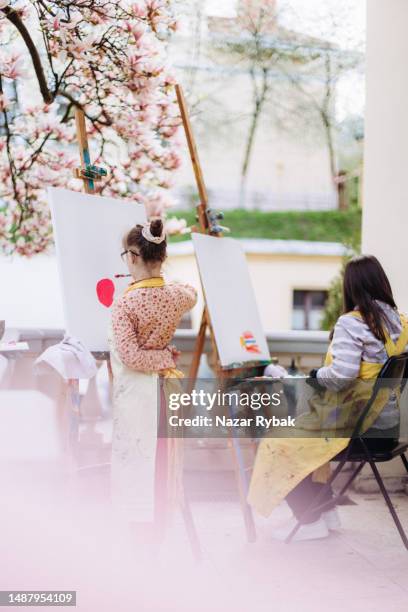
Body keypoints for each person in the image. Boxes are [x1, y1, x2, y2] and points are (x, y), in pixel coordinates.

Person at [248, 255, 408, 541]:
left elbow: (342, 375)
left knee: (277, 440)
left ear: (351, 288)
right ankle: (325, 512)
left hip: (359, 427)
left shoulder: (353, 323)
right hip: (386, 429)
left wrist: (315, 375)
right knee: (305, 435)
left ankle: (309, 520)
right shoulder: (400, 322)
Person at [108, 219, 197, 542]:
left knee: (138, 467)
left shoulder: (125, 304)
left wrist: (160, 357)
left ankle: (140, 540)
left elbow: (130, 356)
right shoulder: (175, 297)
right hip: (167, 390)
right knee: (163, 462)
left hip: (140, 395)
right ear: (161, 256)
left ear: (132, 257)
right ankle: (159, 532)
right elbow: (191, 293)